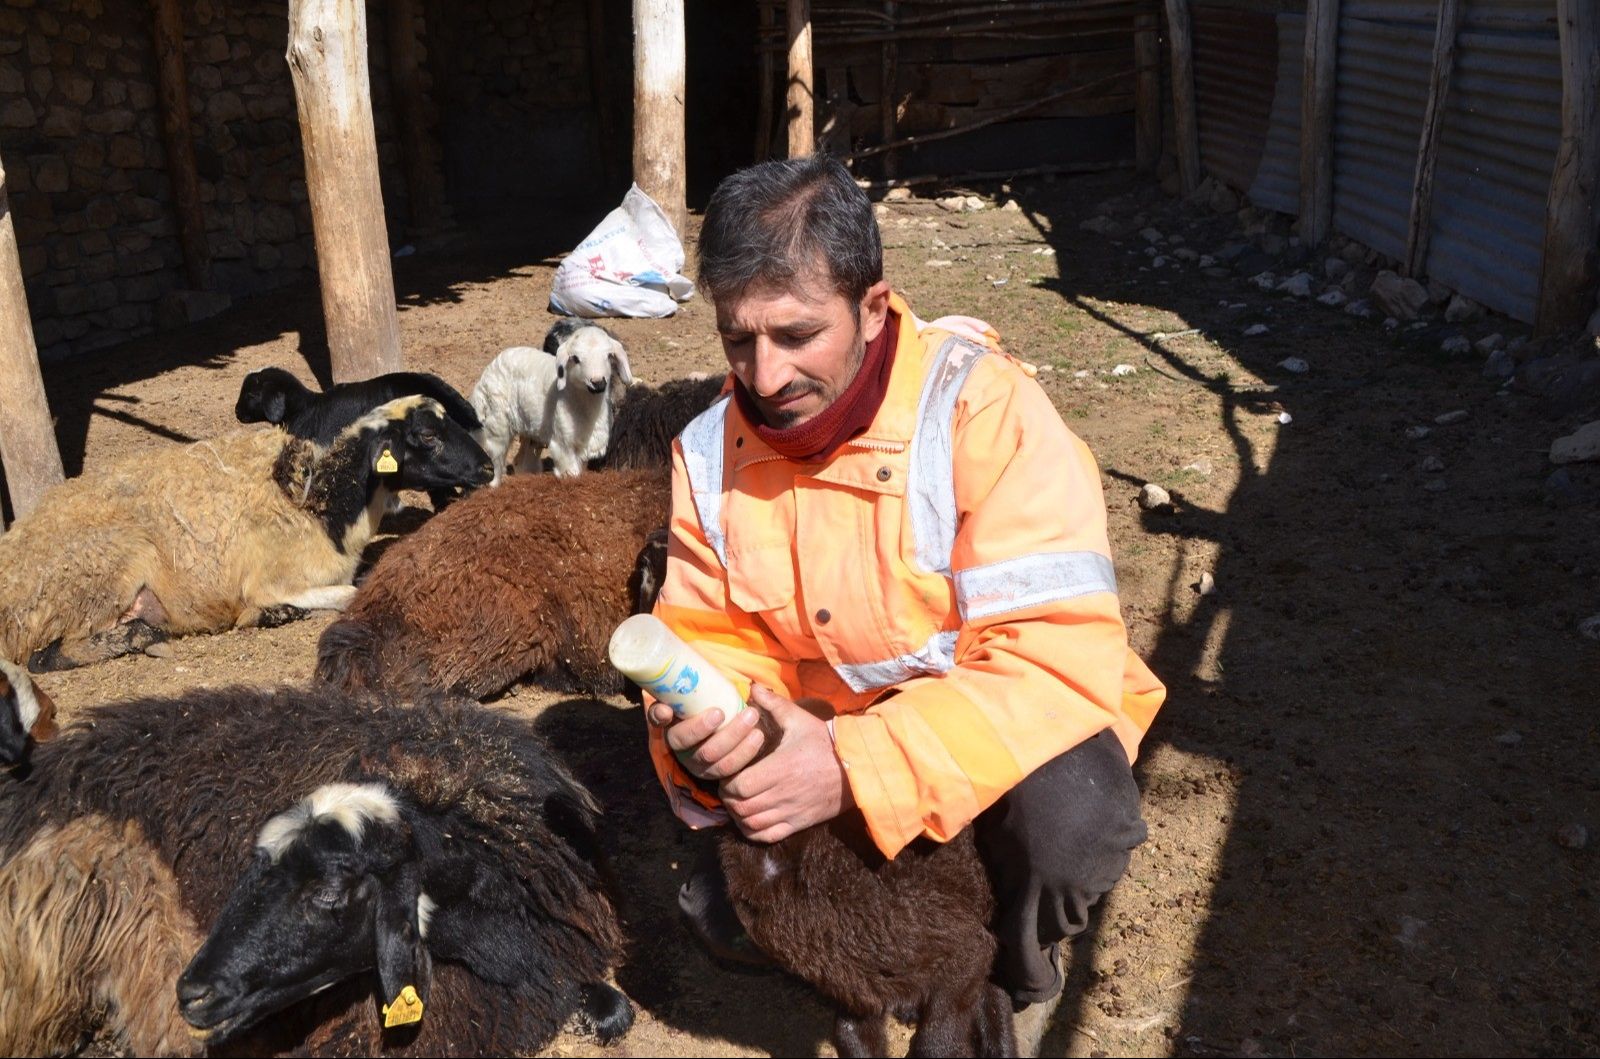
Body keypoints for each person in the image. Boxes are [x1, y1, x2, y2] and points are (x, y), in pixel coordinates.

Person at [644, 155, 1165, 1050]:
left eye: (797, 335)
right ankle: (877, 949)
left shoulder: (987, 413)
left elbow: (1050, 654)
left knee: (1074, 826)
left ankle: (1002, 963)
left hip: (988, 726)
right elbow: (707, 634)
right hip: (820, 735)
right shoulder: (707, 452)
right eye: (739, 340)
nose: (764, 376)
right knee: (724, 898)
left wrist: (854, 765)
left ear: (874, 308)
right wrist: (705, 730)